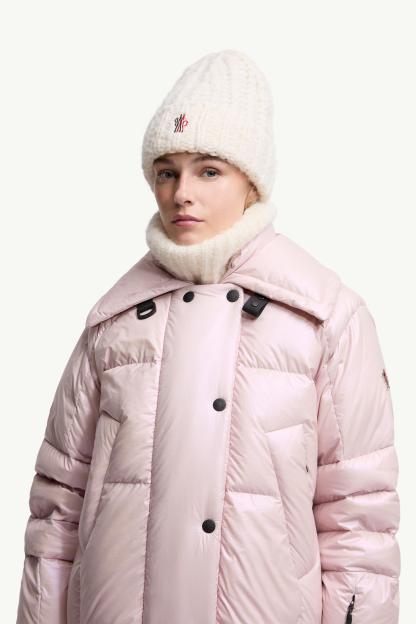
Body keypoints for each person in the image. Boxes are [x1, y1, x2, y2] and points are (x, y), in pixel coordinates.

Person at [16, 49, 400, 624]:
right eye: (166, 172)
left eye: (209, 170)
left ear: (252, 183)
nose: (181, 193)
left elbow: (359, 516)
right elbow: (57, 509)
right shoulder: (111, 324)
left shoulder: (327, 318)